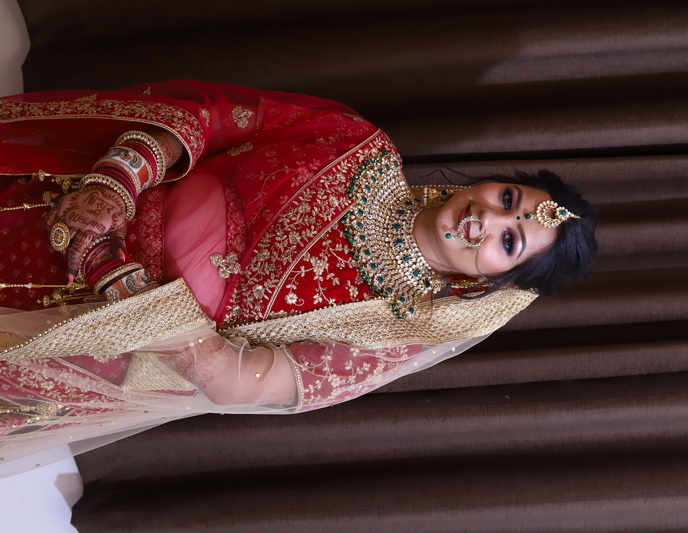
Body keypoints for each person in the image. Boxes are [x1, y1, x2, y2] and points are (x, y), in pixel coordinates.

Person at [0, 80, 596, 474]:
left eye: (509, 241)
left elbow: (234, 382)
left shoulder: (390, 329)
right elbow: (218, 118)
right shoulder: (359, 144)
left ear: (497, 283)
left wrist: (111, 271)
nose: (487, 219)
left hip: (80, 320)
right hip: (70, 198)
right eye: (508, 198)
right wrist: (118, 179)